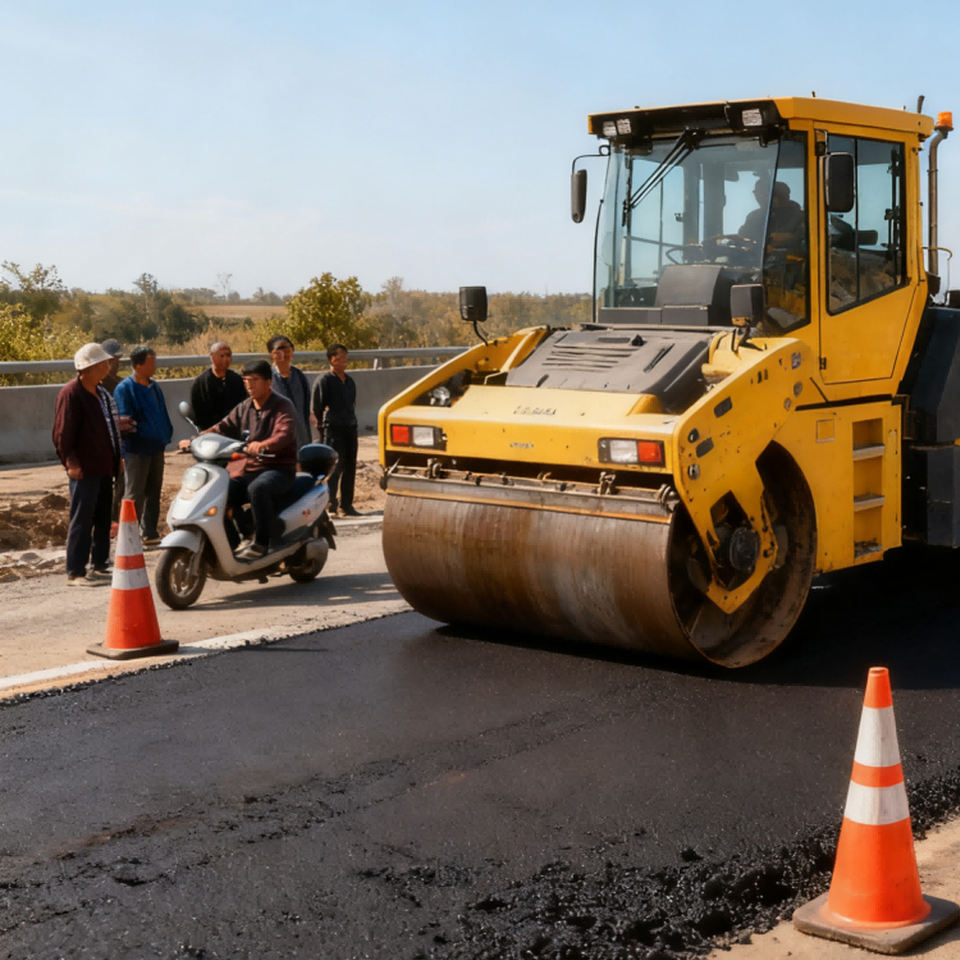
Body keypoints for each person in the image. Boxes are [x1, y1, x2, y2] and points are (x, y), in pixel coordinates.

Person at [182, 359, 297, 560]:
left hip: (278, 469)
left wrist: (264, 444)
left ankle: (261, 543)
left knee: (257, 489)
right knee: (217, 492)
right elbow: (222, 427)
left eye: (254, 380)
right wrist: (195, 440)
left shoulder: (282, 406)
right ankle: (234, 544)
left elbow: (284, 432)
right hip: (250, 469)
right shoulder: (244, 407)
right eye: (245, 380)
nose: (249, 385)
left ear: (268, 382)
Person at [52, 343, 124, 585]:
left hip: (104, 466)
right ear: (88, 368)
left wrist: (117, 458)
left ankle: (100, 563)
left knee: (103, 517)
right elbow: (62, 435)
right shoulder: (71, 394)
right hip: (84, 469)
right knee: (82, 519)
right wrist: (71, 463)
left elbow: (111, 429)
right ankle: (76, 570)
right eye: (102, 364)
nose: (107, 367)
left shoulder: (102, 393)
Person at [114, 345, 173, 546]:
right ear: (138, 365)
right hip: (136, 449)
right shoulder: (125, 389)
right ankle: (129, 535)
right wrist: (142, 432)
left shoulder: (154, 387)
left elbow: (162, 412)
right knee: (134, 493)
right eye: (151, 362)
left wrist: (165, 434)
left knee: (154, 491)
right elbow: (125, 421)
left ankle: (149, 532)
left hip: (156, 446)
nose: (154, 366)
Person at [312, 343, 358, 516]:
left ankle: (347, 505)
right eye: (339, 359)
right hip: (333, 429)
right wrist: (321, 429)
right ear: (331, 360)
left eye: (345, 359)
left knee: (350, 466)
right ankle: (330, 504)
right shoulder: (324, 380)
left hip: (350, 427)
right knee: (334, 467)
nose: (343, 362)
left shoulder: (350, 381)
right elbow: (317, 408)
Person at [267, 334, 312, 450]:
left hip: (300, 434)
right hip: (277, 435)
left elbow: (306, 407)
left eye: (289, 348)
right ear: (272, 353)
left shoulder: (299, 376)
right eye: (281, 348)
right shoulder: (267, 378)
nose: (285, 352)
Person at [189, 340, 247, 429]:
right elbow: (199, 414)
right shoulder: (200, 383)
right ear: (212, 357)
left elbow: (243, 406)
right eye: (222, 356)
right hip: (211, 429)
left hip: (235, 427)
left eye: (228, 355)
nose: (226, 359)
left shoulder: (237, 379)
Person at [739, 180, 804, 245]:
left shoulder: (801, 217)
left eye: (762, 195)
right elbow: (745, 237)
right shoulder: (754, 217)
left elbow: (802, 238)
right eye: (756, 194)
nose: (758, 198)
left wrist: (791, 237)